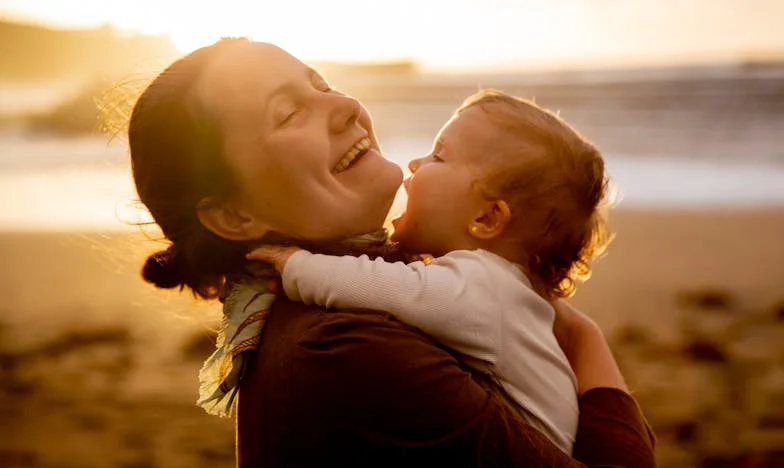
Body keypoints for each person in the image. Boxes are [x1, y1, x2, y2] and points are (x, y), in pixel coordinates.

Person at [128, 37, 656, 467]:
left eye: (323, 84)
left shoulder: (378, 292)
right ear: (234, 216)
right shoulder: (345, 348)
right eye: (289, 114)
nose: (344, 106)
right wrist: (585, 339)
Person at [246, 89, 612, 454]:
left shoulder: (483, 284)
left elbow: (387, 286)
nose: (414, 164)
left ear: (486, 218)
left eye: (439, 156)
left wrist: (294, 265)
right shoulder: (504, 292)